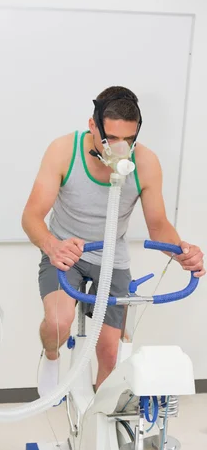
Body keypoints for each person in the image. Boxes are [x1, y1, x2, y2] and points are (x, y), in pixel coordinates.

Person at [22, 86, 205, 397]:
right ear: (93, 126)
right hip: (66, 251)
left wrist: (183, 252)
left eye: (129, 140)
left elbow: (158, 227)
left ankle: (97, 428)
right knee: (58, 323)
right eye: (112, 139)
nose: (121, 149)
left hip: (112, 258)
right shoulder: (64, 150)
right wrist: (53, 246)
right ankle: (51, 357)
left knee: (111, 354)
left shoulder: (145, 163)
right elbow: (31, 217)